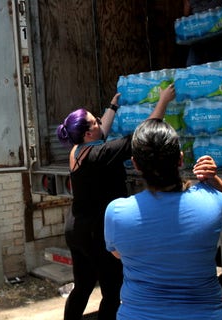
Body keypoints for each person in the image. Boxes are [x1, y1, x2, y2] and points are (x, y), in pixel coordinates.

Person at [56, 85, 176, 320]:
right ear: (89, 134)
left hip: (77, 229)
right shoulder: (100, 155)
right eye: (95, 121)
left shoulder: (77, 151)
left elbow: (102, 129)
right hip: (96, 234)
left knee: (82, 287)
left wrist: (113, 106)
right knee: (112, 291)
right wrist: (163, 102)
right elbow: (142, 136)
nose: (100, 121)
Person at [104, 118, 222, 320]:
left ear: (136, 164)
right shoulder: (210, 203)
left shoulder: (117, 212)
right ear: (180, 159)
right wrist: (212, 178)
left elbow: (119, 254)